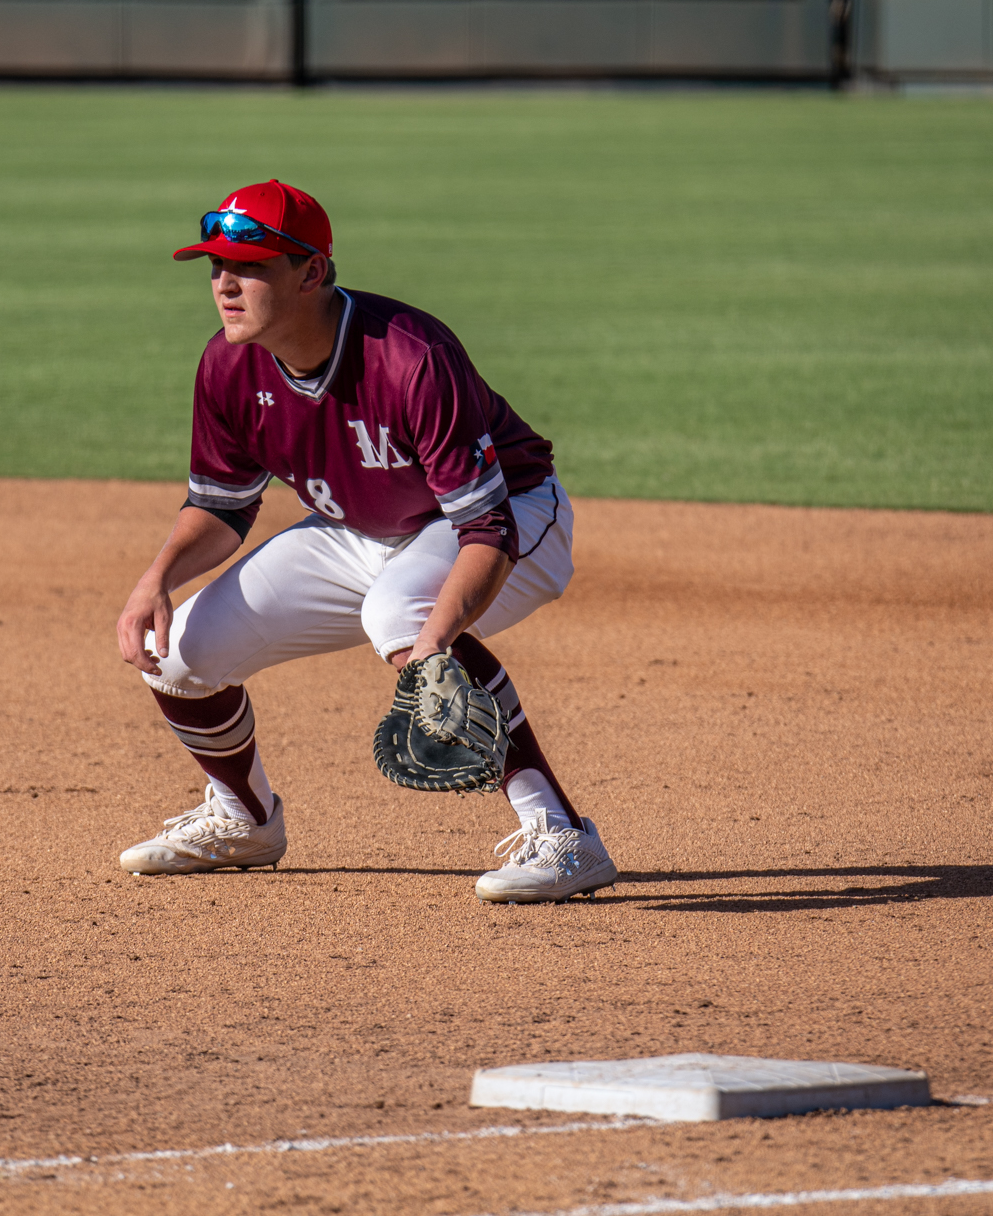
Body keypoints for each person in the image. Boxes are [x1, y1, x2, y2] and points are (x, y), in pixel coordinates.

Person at [112, 180, 616, 903]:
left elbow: (487, 526)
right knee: (176, 653)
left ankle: (565, 837)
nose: (224, 282)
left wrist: (433, 647)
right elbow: (222, 506)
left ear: (311, 271)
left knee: (400, 616)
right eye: (215, 265)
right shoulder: (229, 364)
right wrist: (155, 576)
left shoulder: (407, 356)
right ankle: (245, 819)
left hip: (513, 515)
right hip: (362, 532)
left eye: (249, 264)